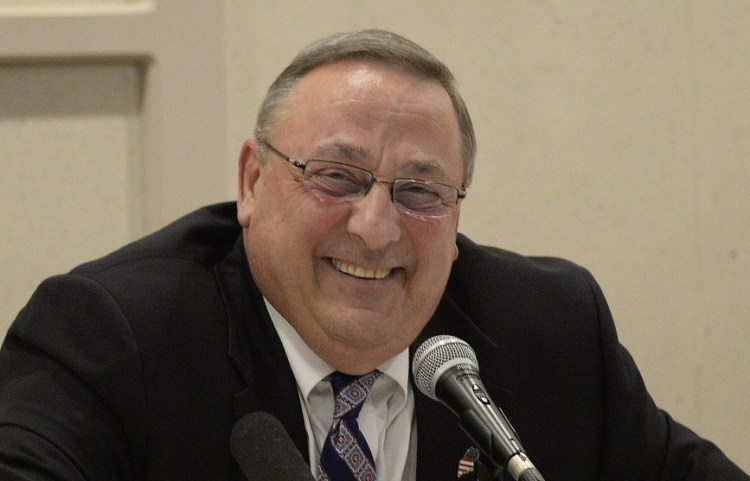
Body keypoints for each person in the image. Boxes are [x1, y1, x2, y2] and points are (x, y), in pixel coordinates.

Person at [0, 29, 746, 481]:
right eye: (336, 177)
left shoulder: (550, 333)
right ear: (252, 183)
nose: (376, 226)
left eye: (422, 192)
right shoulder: (111, 338)